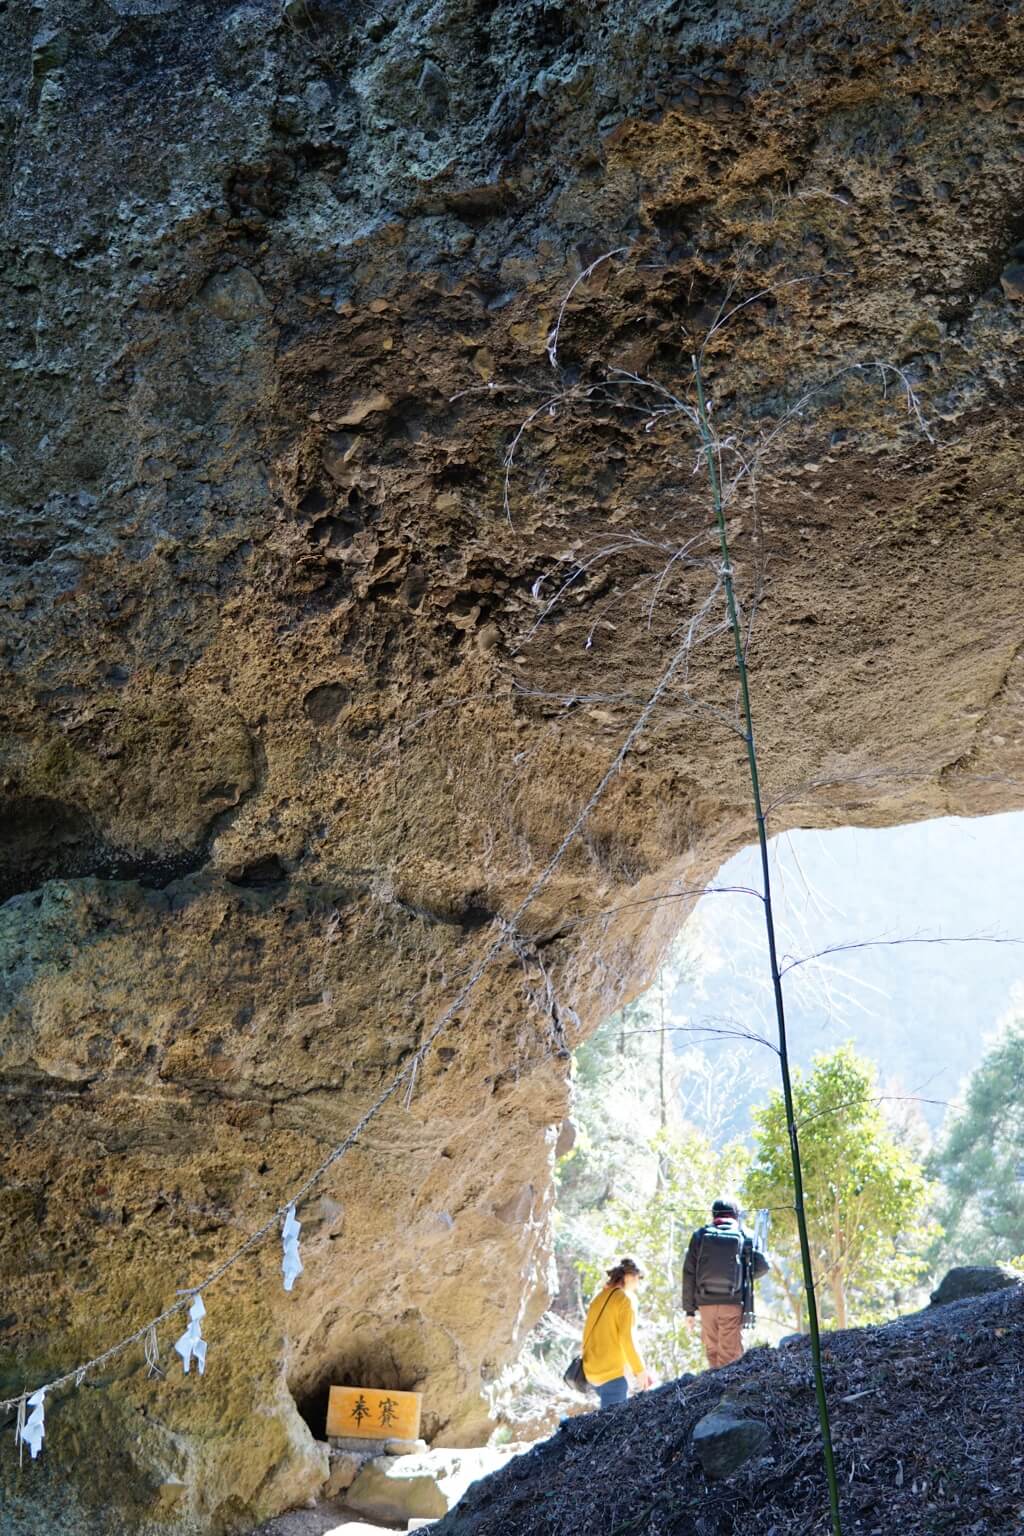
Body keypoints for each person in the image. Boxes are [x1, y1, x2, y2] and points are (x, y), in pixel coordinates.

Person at [682, 1199, 770, 1370]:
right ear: (735, 1214)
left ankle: (714, 1393)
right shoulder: (745, 1235)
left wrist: (689, 1310)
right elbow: (763, 1265)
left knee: (712, 1352)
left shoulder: (700, 1235)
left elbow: (689, 1273)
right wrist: (744, 1275)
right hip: (732, 1302)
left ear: (713, 1214)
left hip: (705, 1303)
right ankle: (726, 1394)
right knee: (730, 1357)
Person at [581, 1257, 655, 1408]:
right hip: (612, 1375)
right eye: (638, 1277)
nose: (638, 1282)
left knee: (607, 1420)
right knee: (612, 1427)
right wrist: (640, 1371)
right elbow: (627, 1338)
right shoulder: (625, 1299)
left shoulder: (598, 1298)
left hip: (591, 1372)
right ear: (629, 1276)